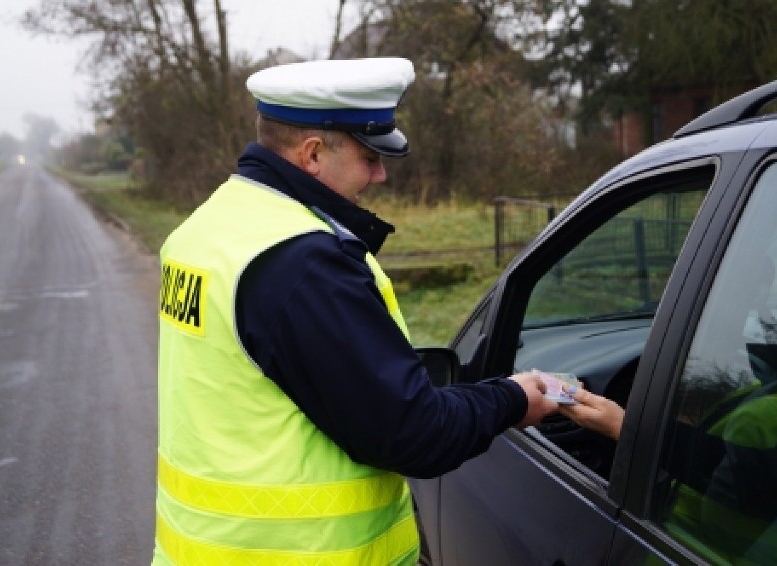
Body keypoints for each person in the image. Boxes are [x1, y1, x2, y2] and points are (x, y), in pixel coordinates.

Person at [152, 57, 558, 566]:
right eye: (370, 157)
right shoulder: (304, 265)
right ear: (314, 154)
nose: (382, 175)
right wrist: (512, 399)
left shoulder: (209, 226)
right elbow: (411, 433)